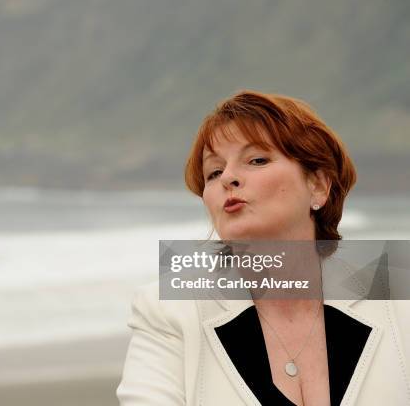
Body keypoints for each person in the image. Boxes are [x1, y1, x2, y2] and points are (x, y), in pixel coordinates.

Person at [116, 91, 410, 405]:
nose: (228, 177)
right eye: (214, 172)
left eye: (257, 160)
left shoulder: (396, 287)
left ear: (318, 186)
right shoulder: (168, 309)